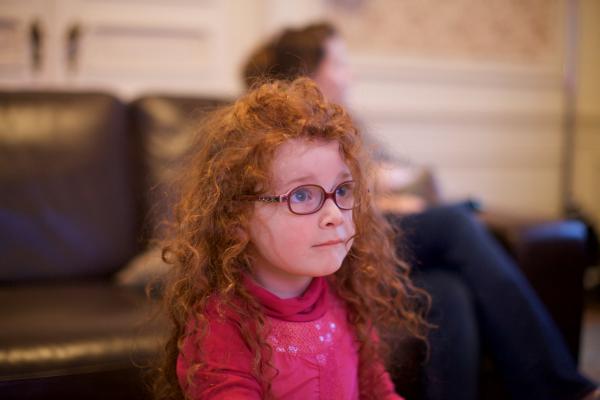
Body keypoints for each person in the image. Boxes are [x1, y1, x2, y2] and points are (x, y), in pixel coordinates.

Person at [241, 22, 599, 400]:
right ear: (310, 72)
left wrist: (392, 192)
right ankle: (558, 387)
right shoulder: (275, 137)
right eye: (341, 63)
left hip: (378, 227)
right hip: (351, 241)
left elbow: (393, 177)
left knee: (448, 291)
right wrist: (379, 197)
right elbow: (344, 192)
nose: (351, 74)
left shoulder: (345, 125)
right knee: (456, 223)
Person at [153, 78, 429, 400]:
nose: (335, 215)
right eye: (301, 195)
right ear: (235, 219)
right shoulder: (221, 329)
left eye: (343, 190)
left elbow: (378, 391)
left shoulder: (346, 298)